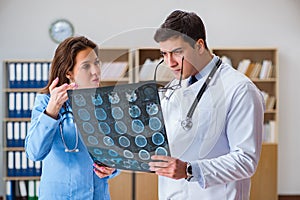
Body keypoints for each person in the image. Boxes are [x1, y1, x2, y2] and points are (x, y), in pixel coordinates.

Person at [148, 10, 265, 199]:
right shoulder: (172, 89)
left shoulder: (239, 89)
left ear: (199, 46)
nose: (170, 63)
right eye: (164, 54)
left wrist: (190, 170)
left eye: (177, 52)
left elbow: (246, 160)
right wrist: (118, 160)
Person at [25, 36, 118, 200]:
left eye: (96, 63)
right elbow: (34, 153)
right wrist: (52, 111)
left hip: (97, 195)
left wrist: (113, 168)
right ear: (69, 73)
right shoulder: (46, 101)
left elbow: (117, 151)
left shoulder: (106, 102)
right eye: (86, 66)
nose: (95, 71)